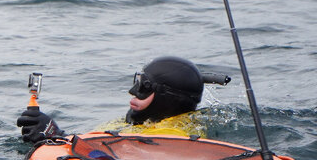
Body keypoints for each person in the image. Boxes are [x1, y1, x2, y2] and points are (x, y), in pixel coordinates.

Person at [16, 55, 212, 145]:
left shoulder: (169, 136)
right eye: (137, 82)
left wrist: (57, 137)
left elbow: (112, 158)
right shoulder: (144, 125)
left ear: (166, 98)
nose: (133, 92)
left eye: (145, 87)